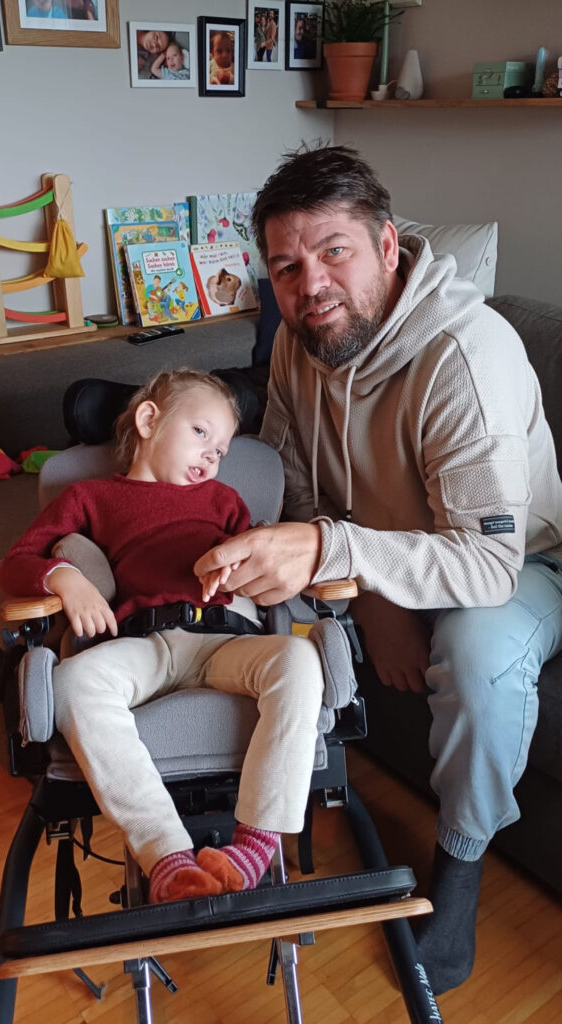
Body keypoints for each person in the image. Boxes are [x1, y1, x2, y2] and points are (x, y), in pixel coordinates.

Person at [194, 144, 562, 993]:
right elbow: (289, 479)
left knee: (477, 660)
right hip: (381, 552)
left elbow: (488, 565)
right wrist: (369, 599)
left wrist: (339, 556)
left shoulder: (464, 358)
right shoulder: (298, 342)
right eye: (287, 267)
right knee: (247, 592)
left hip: (522, 561)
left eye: (335, 251)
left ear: (388, 247)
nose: (311, 285)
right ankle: (234, 815)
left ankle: (460, 867)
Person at [0, 369, 324, 904]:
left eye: (221, 450)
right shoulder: (92, 496)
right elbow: (16, 564)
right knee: (73, 682)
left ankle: (254, 847)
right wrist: (63, 578)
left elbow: (264, 569)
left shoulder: (224, 501)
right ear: (149, 420)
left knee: (300, 659)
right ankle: (168, 859)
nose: (212, 456)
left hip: (225, 640)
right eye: (201, 433)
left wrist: (246, 568)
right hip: (144, 646)